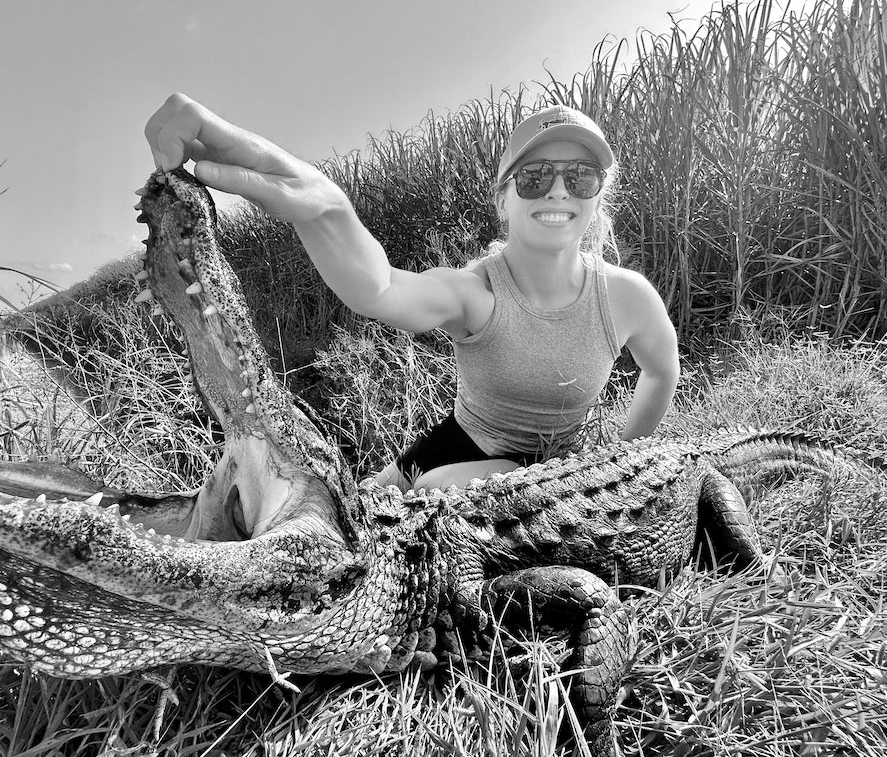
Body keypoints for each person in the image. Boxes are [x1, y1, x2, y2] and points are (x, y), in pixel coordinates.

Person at [145, 95, 679, 491]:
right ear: (504, 199)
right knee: (366, 508)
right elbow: (381, 287)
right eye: (536, 177)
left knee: (428, 496)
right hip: (461, 435)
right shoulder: (475, 293)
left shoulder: (624, 297)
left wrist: (625, 460)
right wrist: (327, 208)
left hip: (547, 459)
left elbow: (661, 369)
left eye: (581, 177)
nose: (560, 190)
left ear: (597, 194)